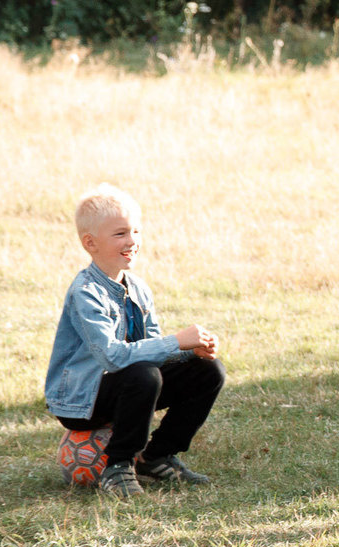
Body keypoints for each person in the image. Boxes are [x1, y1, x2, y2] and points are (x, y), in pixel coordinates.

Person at [45, 184, 226, 499]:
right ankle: (118, 467)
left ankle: (155, 457)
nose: (132, 241)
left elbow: (152, 351)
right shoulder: (85, 292)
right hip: (82, 400)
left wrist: (190, 352)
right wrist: (175, 341)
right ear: (91, 243)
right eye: (120, 234)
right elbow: (113, 358)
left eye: (136, 231)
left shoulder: (138, 288)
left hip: (130, 387)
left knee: (208, 370)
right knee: (143, 374)